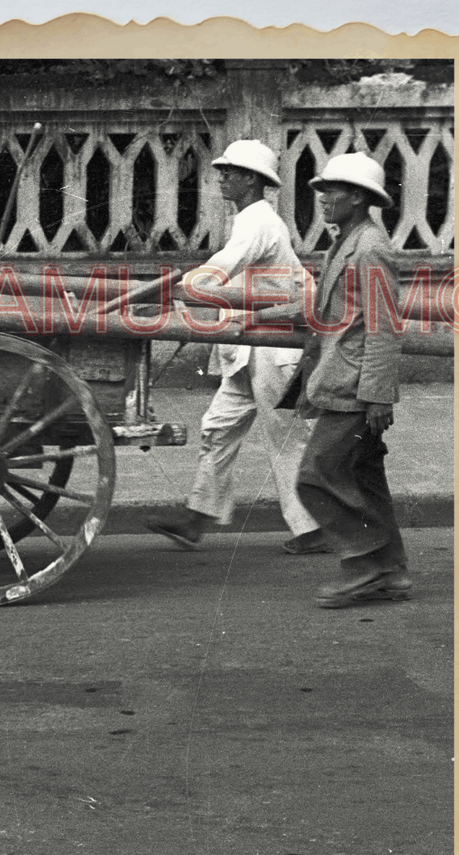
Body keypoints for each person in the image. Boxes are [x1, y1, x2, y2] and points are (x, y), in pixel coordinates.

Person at [144, 140, 326, 554]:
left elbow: (220, 270)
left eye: (230, 171)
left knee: (285, 439)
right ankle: (196, 518)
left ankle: (313, 528)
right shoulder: (248, 219)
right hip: (249, 347)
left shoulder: (258, 222)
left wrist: (173, 290)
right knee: (218, 427)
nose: (222, 177)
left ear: (251, 179)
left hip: (276, 349)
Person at [291, 152, 411, 609]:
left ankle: (365, 567)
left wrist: (378, 397)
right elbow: (333, 313)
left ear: (358, 197)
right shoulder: (345, 242)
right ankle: (392, 570)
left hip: (355, 387)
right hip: (343, 377)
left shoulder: (370, 248)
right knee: (363, 476)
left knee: (316, 476)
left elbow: (383, 325)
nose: (323, 199)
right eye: (321, 190)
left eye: (332, 190)